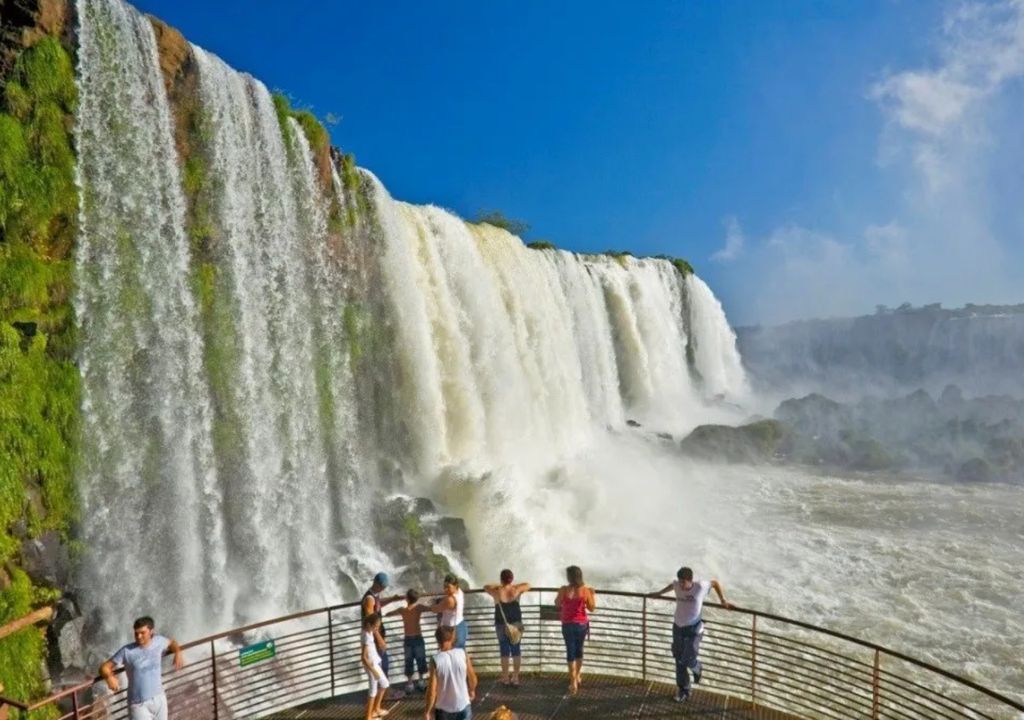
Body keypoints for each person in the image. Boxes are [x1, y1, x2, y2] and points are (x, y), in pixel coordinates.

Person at [651, 566, 734, 702]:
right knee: (679, 661)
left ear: (691, 580)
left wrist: (723, 600)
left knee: (688, 659)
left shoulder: (700, 587)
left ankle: (697, 667)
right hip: (677, 627)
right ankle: (684, 690)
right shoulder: (677, 585)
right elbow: (672, 585)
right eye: (680, 582)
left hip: (694, 629)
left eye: (684, 582)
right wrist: (659, 593)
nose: (681, 585)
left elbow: (715, 583)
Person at [99, 616, 184, 720]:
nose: (138, 636)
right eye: (136, 633)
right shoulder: (127, 651)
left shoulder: (159, 641)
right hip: (139, 705)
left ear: (151, 631)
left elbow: (172, 643)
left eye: (142, 633)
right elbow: (104, 667)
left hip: (159, 699)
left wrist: (178, 652)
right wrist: (109, 678)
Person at [483, 569, 530, 686]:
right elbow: (528, 585)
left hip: (500, 624)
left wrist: (499, 585)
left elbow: (485, 586)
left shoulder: (497, 591)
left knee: (504, 651)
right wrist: (514, 585)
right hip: (515, 625)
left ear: (501, 579)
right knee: (516, 650)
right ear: (512, 579)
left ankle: (505, 678)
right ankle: (515, 678)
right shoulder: (516, 590)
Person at [554, 565, 595, 695]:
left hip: (567, 624)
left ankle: (573, 682)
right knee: (579, 650)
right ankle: (577, 676)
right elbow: (592, 608)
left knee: (570, 651)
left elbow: (557, 603)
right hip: (581, 624)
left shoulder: (563, 590)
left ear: (569, 577)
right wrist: (592, 594)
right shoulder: (585, 590)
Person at [423, 625, 477, 720]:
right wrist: (472, 690)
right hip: (463, 705)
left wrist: (427, 711)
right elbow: (473, 679)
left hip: (443, 710)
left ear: (438, 640)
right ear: (452, 638)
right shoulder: (463, 653)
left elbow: (432, 690)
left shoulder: (435, 660)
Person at [385, 589, 432, 693]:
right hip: (418, 638)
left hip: (408, 639)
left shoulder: (402, 610)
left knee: (409, 661)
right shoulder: (418, 608)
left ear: (407, 598)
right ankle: (421, 681)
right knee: (421, 659)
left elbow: (388, 614)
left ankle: (410, 683)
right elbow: (431, 609)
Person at [362, 573, 404, 682]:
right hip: (374, 637)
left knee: (383, 662)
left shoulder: (374, 595)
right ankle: (385, 692)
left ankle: (385, 691)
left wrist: (392, 599)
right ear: (376, 583)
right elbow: (371, 622)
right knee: (382, 664)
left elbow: (378, 605)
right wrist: (380, 639)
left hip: (378, 634)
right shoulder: (369, 599)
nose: (383, 589)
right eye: (382, 586)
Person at [361, 613, 390, 720]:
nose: (377, 629)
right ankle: (368, 717)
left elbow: (382, 645)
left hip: (375, 663)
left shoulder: (368, 632)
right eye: (376, 627)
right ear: (369, 624)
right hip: (371, 666)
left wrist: (375, 631)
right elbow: (363, 657)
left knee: (385, 684)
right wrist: (373, 671)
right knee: (373, 691)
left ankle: (376, 709)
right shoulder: (366, 636)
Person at [429, 574, 467, 650]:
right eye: (444, 586)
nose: (445, 589)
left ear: (456, 585)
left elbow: (434, 609)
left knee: (450, 655)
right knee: (460, 655)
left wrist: (433, 602)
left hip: (451, 632)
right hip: (461, 626)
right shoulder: (460, 592)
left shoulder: (450, 600)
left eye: (448, 587)